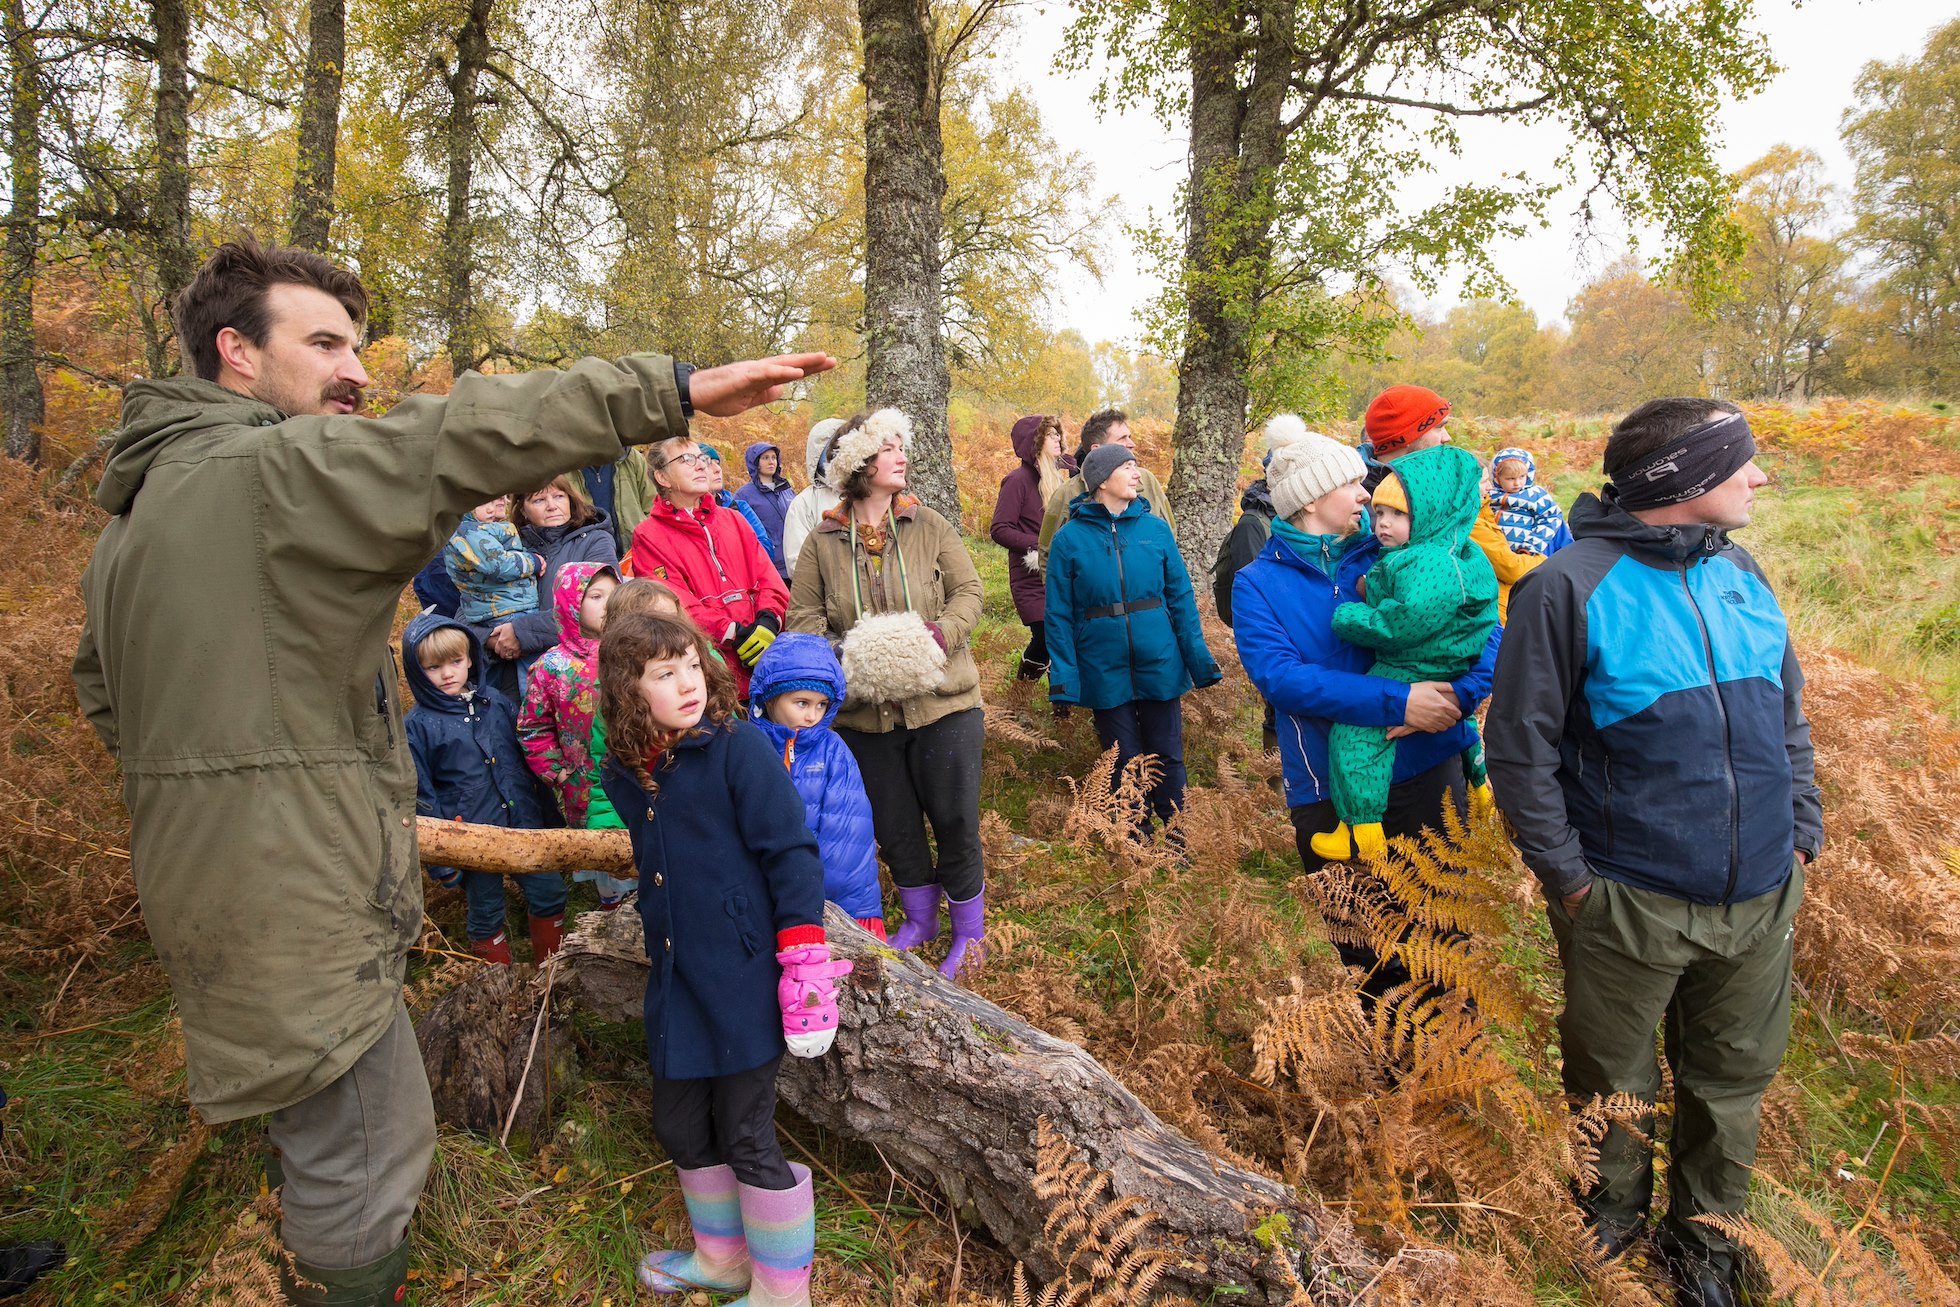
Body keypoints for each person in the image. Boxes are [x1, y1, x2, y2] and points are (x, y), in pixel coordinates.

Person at [70, 235, 831, 1306]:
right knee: (365, 1153)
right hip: (292, 889)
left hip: (209, 881)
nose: (356, 370)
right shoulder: (263, 468)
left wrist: (222, 787)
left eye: (358, 344)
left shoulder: (133, 518)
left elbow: (102, 689)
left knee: (325, 1129)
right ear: (236, 352)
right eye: (324, 341)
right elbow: (451, 438)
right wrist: (666, 390)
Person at [1485, 399, 1820, 1307]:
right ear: (1683, 481)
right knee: (1614, 1077)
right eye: (1741, 463)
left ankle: (1705, 1247)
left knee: (1731, 1080)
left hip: (1758, 894)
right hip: (1629, 900)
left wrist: (1802, 828)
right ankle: (1610, 1213)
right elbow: (1518, 748)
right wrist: (1572, 880)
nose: (1759, 478)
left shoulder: (1742, 571)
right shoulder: (1566, 587)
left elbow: (1784, 712)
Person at [597, 613, 850, 1307]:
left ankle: (781, 1293)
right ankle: (721, 1259)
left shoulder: (737, 748)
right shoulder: (630, 769)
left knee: (746, 1132)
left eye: (689, 664)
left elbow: (792, 853)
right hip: (678, 979)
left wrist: (803, 962)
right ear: (627, 692)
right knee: (679, 1122)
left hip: (744, 975)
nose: (686, 683)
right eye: (662, 673)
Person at [1232, 418, 1499, 1005]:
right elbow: (1282, 678)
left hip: (1429, 765)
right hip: (1328, 781)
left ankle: (1452, 1069)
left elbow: (1486, 627)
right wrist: (1398, 701)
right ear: (1309, 499)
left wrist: (1462, 695)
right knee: (1368, 945)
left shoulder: (1402, 548)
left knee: (1445, 931)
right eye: (1352, 484)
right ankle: (1395, 1078)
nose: (1366, 496)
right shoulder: (1257, 584)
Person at [786, 409, 988, 978]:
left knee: (954, 819)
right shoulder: (822, 541)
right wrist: (856, 655)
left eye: (903, 446)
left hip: (945, 702)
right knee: (893, 822)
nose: (902, 456)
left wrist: (938, 634)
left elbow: (970, 591)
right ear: (857, 465)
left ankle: (970, 935)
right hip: (863, 716)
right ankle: (921, 920)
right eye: (888, 448)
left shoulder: (930, 524)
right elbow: (800, 620)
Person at [1308, 445, 1499, 862]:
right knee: (1459, 721)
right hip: (1445, 659)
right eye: (1378, 514)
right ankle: (1482, 786)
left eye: (1396, 515)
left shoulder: (1430, 562)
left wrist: (1349, 616)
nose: (1381, 524)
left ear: (1428, 515)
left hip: (1415, 662)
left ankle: (1361, 831)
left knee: (1354, 736)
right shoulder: (1451, 549)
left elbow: (1405, 621)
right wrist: (1372, 587)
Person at [1045, 443, 1220, 835]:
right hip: (1102, 666)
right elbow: (1057, 615)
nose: (1137, 473)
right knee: (1122, 758)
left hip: (1159, 658)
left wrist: (1198, 659)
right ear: (1102, 480)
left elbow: (1180, 597)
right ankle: (1135, 842)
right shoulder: (1068, 540)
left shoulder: (1155, 530)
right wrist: (1066, 679)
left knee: (1169, 755)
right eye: (1127, 466)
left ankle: (1179, 836)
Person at [403, 613, 566, 964]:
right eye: (433, 667)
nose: (448, 674)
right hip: (471, 836)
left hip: (524, 823)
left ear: (471, 659)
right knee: (486, 909)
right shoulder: (418, 726)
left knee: (549, 892)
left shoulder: (496, 703)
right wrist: (442, 857)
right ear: (417, 671)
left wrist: (549, 813)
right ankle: (496, 982)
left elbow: (525, 759)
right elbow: (421, 793)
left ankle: (550, 972)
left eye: (456, 662)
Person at [629, 435, 791, 700]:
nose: (701, 465)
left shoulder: (734, 520)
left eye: (702, 459)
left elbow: (768, 577)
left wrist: (769, 620)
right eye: (686, 459)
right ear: (663, 478)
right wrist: (732, 632)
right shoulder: (648, 535)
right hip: (709, 675)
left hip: (768, 664)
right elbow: (672, 604)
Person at [1360, 384, 1538, 622]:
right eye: (1439, 427)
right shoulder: (1356, 504)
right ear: (1409, 436)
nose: (1447, 437)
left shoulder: (1446, 485)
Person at [748, 633, 886, 938]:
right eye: (801, 703)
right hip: (755, 894)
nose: (812, 716)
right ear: (769, 698)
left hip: (822, 902)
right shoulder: (746, 746)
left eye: (822, 705)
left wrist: (856, 911)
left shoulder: (833, 751)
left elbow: (849, 835)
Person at [519, 562, 637, 911]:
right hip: (585, 783)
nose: (607, 604)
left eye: (614, 596)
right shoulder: (551, 667)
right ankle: (613, 916)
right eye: (595, 596)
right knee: (606, 862)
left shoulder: (634, 651)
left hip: (638, 771)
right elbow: (532, 726)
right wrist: (554, 769)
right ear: (571, 603)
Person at [482, 474, 619, 699]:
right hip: (511, 670)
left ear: (571, 501)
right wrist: (491, 637)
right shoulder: (505, 551)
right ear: (522, 509)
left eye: (559, 496)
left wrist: (521, 632)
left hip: (578, 668)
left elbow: (598, 609)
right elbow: (468, 610)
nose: (552, 506)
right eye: (539, 500)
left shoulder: (595, 541)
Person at [1036, 409, 1176, 565]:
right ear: (1096, 449)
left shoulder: (1147, 480)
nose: (1132, 444)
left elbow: (1169, 538)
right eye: (1123, 439)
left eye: (1130, 437)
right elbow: (1048, 556)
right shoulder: (1067, 494)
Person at [991, 414, 1071, 681]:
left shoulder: (1062, 479)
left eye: (1058, 433)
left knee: (1063, 638)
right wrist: (1041, 546)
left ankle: (1062, 707)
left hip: (1062, 574)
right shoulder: (1016, 481)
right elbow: (1000, 529)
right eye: (1050, 434)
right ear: (1034, 441)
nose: (1058, 438)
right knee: (1048, 636)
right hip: (1031, 578)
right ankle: (1021, 693)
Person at [444, 493, 544, 626]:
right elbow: (498, 565)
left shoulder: (483, 528)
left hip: (513, 606)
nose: (503, 501)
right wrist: (533, 561)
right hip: (504, 610)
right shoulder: (467, 531)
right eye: (489, 500)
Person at [701, 442, 786, 574]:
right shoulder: (745, 494)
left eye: (717, 462)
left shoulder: (738, 507)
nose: (717, 469)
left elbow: (764, 546)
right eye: (707, 463)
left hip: (771, 571)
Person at [780, 417, 845, 576]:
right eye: (834, 448)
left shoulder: (870, 495)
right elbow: (798, 563)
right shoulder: (804, 503)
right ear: (819, 454)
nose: (840, 454)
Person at [1487, 446, 1572, 556]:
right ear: (1497, 477)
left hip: (1526, 550)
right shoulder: (1490, 495)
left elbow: (1551, 517)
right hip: (1497, 551)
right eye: (1510, 479)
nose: (1517, 483)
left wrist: (1531, 546)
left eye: (1522, 477)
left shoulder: (1535, 495)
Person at [737, 440, 798, 579]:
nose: (771, 462)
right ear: (755, 463)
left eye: (773, 458)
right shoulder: (744, 495)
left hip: (794, 561)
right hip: (770, 566)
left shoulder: (786, 489)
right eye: (765, 458)